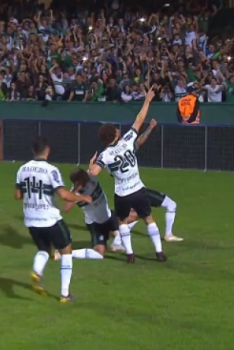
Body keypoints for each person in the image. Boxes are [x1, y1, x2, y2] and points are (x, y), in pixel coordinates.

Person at [88, 87, 167, 263]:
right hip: (138, 189)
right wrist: (147, 100)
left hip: (122, 194)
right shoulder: (128, 140)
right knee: (148, 218)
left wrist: (90, 165)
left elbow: (93, 173)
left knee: (123, 221)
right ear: (115, 134)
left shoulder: (105, 155)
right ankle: (159, 251)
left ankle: (130, 254)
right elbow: (139, 119)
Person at [14, 137, 92, 303]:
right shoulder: (51, 170)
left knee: (44, 249)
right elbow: (63, 194)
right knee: (66, 251)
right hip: (49, 218)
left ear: (33, 151)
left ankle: (37, 271)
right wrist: (82, 198)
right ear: (47, 151)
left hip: (31, 219)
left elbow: (17, 195)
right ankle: (65, 294)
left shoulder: (22, 169)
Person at [125, 119, 184, 242]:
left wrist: (150, 128)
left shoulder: (111, 157)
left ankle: (117, 241)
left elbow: (138, 143)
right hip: (138, 190)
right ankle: (168, 235)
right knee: (170, 205)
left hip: (127, 192)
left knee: (138, 214)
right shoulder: (125, 151)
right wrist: (150, 128)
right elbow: (138, 142)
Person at [58, 168, 123, 260]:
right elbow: (66, 208)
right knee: (99, 254)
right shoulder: (75, 193)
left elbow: (95, 168)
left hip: (109, 216)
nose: (87, 176)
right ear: (79, 181)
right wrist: (80, 196)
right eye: (84, 177)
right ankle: (66, 254)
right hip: (96, 224)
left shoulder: (91, 176)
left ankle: (115, 236)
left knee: (130, 212)